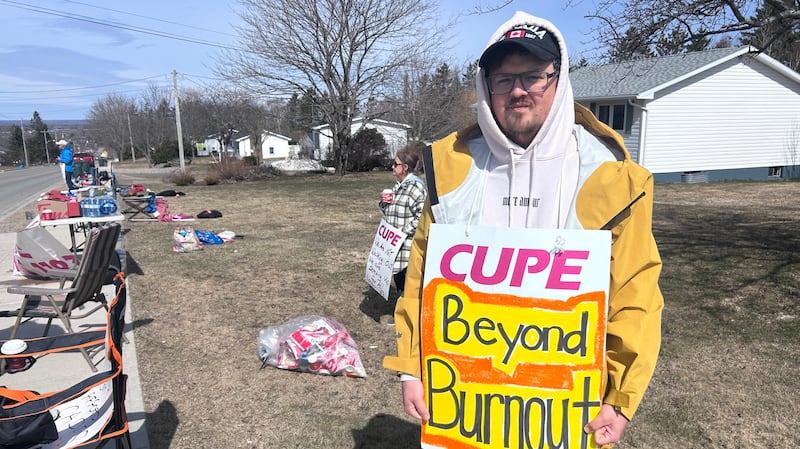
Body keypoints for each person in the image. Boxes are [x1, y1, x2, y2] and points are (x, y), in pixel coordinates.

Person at [382, 11, 663, 447]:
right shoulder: (452, 169)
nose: (517, 91)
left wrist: (619, 397)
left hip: (562, 414)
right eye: (503, 79)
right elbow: (420, 281)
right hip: (467, 407)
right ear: (485, 86)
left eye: (533, 76)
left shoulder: (611, 176)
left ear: (559, 78)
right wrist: (411, 366)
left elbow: (635, 295)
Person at [379, 144, 427, 321]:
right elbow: (393, 212)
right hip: (394, 244)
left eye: (395, 163)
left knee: (407, 282)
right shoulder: (399, 186)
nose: (392, 167)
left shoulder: (415, 188)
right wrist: (384, 204)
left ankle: (407, 318)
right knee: (398, 278)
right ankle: (401, 312)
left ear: (405, 168)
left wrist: (403, 232)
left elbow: (421, 217)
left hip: (407, 245)